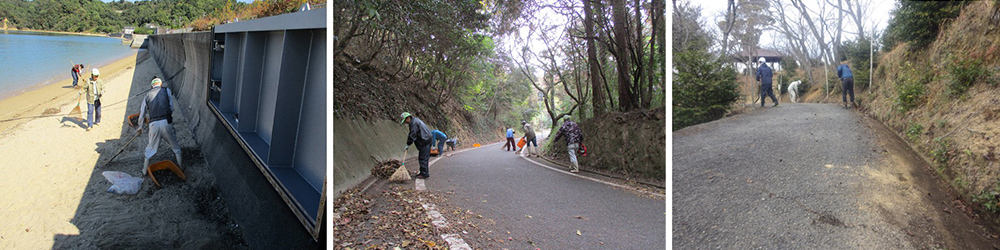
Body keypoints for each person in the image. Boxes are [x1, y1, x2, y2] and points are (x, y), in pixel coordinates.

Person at [137, 77, 182, 176]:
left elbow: (142, 113)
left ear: (152, 85)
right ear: (160, 84)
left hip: (153, 124)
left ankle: (144, 170)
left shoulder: (147, 95)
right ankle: (181, 166)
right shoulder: (167, 90)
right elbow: (171, 107)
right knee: (175, 145)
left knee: (151, 147)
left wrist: (140, 126)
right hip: (166, 122)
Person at [401, 112, 432, 179]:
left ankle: (424, 174)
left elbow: (413, 134)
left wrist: (408, 143)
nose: (405, 123)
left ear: (408, 118)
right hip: (426, 140)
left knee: (423, 158)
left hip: (424, 141)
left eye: (405, 121)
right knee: (422, 157)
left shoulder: (413, 123)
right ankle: (423, 172)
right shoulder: (415, 121)